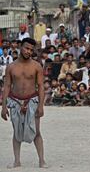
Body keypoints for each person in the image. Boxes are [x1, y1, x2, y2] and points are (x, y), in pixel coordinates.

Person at [1, 38, 47, 168]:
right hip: (15, 101)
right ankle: (17, 161)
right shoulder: (11, 67)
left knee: (37, 132)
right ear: (20, 47)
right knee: (16, 132)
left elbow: (41, 86)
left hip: (32, 100)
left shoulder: (36, 66)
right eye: (26, 48)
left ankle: (41, 160)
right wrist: (3, 107)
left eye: (31, 50)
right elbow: (7, 86)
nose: (28, 52)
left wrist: (41, 106)